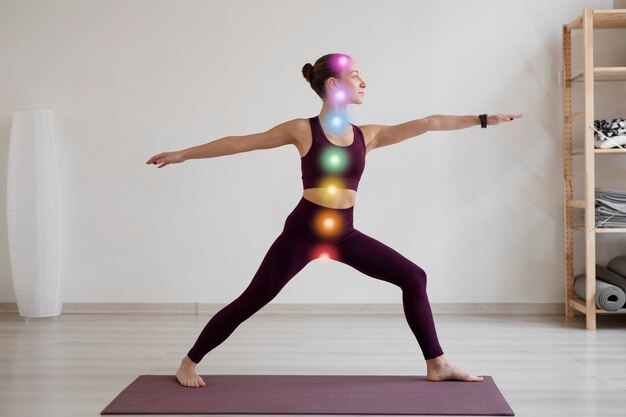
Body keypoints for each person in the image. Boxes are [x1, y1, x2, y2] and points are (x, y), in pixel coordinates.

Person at [146, 53, 523, 388]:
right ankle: (189, 361)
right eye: (356, 74)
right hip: (304, 231)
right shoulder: (301, 129)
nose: (363, 81)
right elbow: (240, 142)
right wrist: (183, 154)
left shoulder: (367, 135)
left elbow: (428, 122)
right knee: (254, 298)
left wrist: (484, 119)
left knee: (413, 277)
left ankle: (436, 363)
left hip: (343, 234)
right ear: (333, 84)